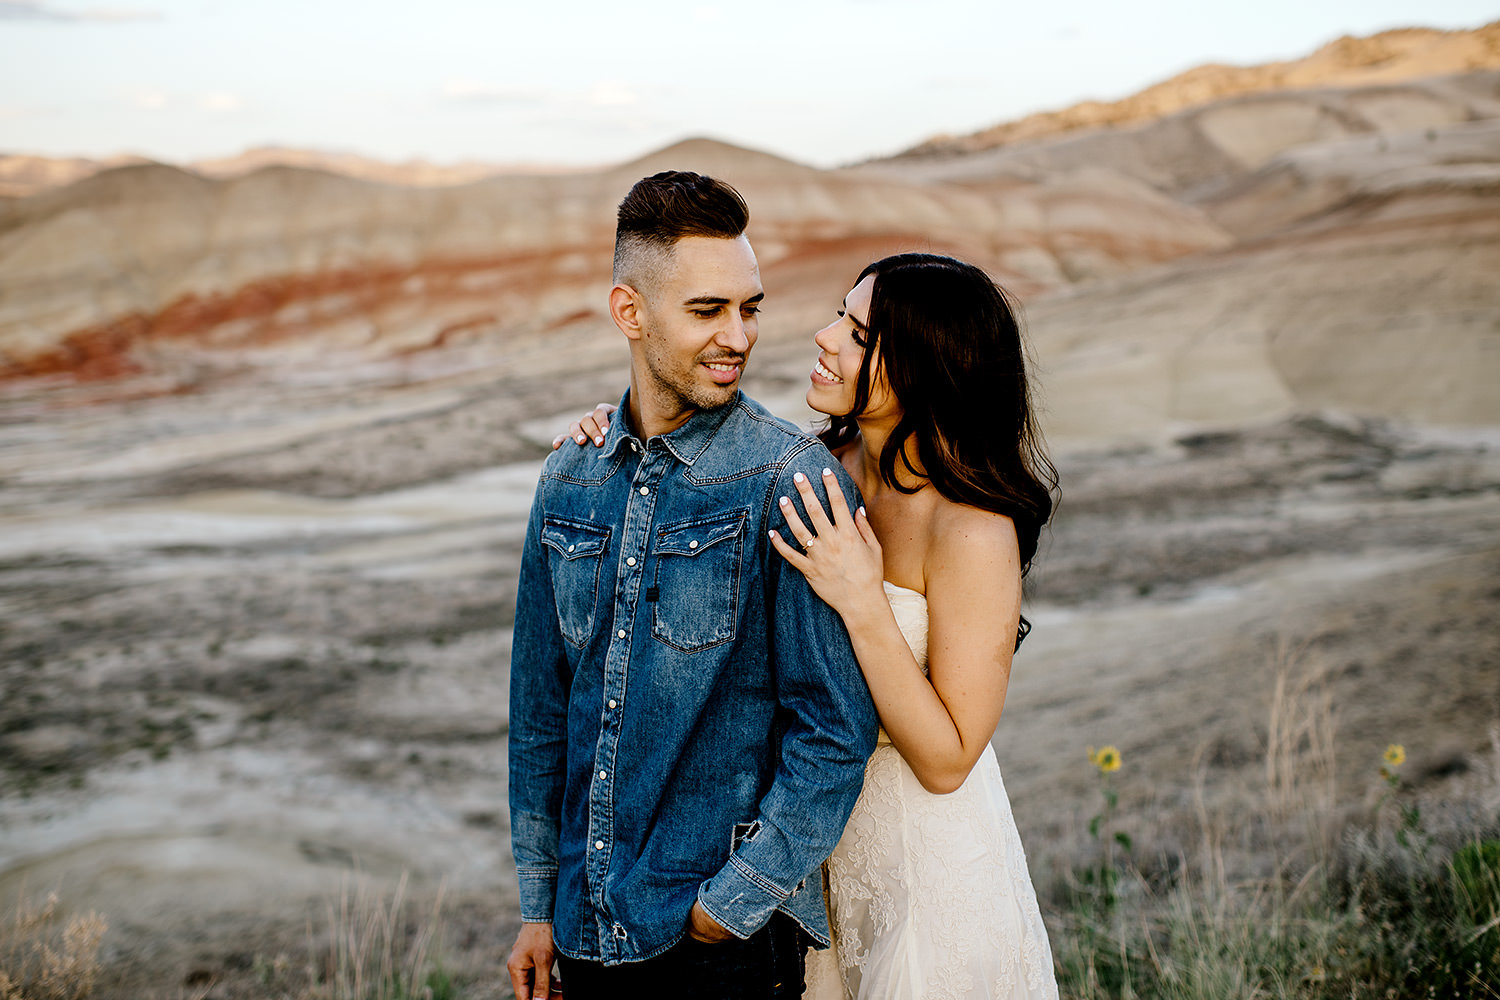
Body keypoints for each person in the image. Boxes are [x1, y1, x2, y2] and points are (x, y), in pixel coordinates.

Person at [560, 252, 1060, 998]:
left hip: (919, 866)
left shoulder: (973, 530)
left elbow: (949, 758)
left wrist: (863, 600)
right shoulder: (818, 465)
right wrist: (621, 426)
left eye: (858, 333)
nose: (825, 338)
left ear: (928, 367)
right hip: (801, 862)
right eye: (840, 315)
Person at [507, 170, 878, 1000]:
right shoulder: (568, 480)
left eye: (750, 308)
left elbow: (835, 730)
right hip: (583, 934)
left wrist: (728, 907)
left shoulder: (789, 481)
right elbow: (542, 712)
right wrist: (540, 906)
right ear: (629, 312)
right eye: (707, 311)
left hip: (719, 949)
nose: (739, 336)